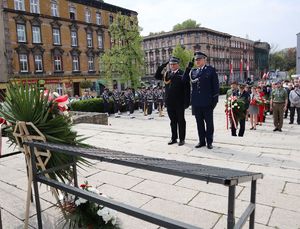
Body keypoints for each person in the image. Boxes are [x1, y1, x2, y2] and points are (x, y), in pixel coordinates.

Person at [183, 51, 219, 149]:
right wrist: (188, 68)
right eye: (196, 60)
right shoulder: (193, 71)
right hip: (196, 103)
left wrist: (214, 101)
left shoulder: (210, 70)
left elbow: (215, 87)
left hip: (207, 102)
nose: (197, 61)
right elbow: (184, 80)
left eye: (199, 59)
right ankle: (201, 141)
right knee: (199, 123)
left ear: (204, 59)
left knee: (209, 123)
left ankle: (209, 141)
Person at [154, 56, 190, 146]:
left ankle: (182, 139)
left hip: (179, 102)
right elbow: (157, 76)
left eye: (174, 64)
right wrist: (163, 66)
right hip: (170, 102)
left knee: (181, 121)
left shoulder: (182, 74)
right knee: (172, 121)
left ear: (178, 64)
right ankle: (174, 138)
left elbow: (187, 89)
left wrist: (187, 102)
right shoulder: (167, 74)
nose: (172, 66)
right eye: (171, 64)